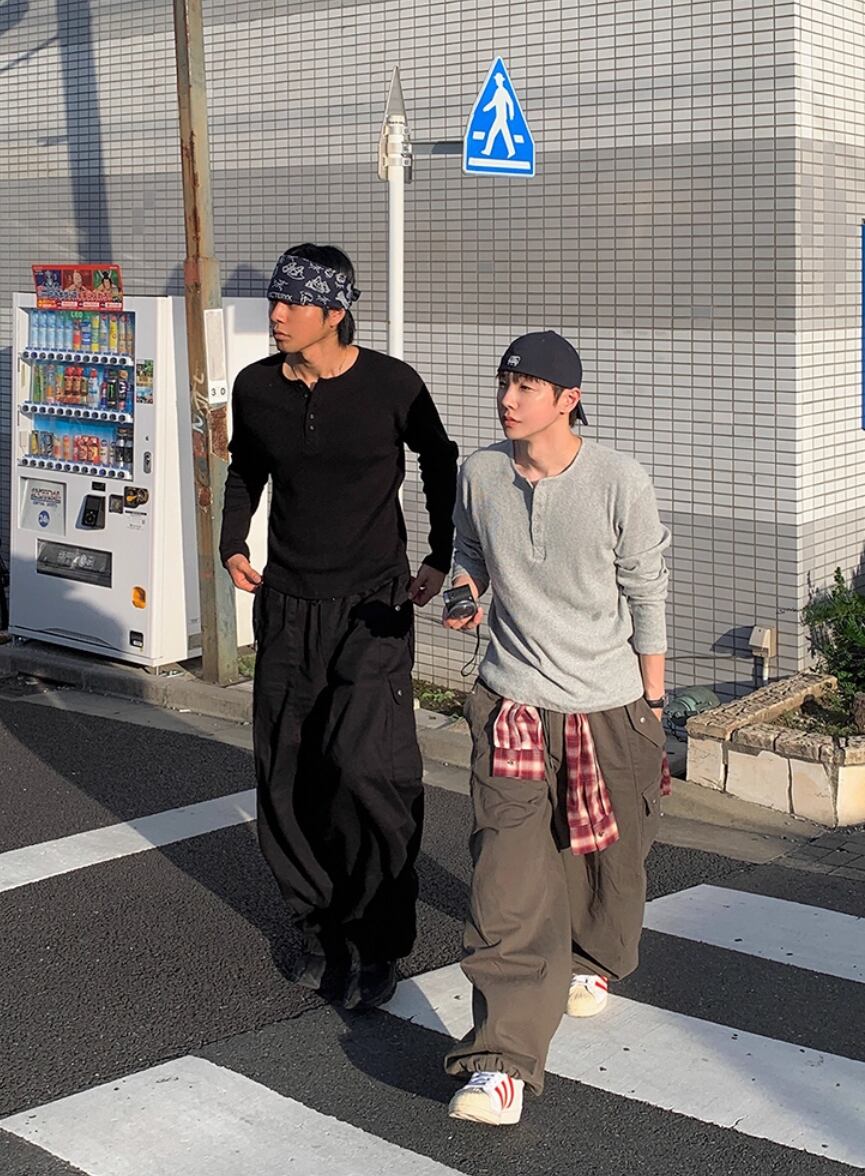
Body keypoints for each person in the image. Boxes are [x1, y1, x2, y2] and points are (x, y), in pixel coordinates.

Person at [220, 243, 458, 1010]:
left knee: (366, 769)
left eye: (291, 302)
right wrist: (232, 541)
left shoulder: (391, 385)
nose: (276, 314)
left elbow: (439, 458)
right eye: (273, 300)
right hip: (288, 603)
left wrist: (440, 553)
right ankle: (319, 930)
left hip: (372, 606)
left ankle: (378, 939)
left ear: (333, 312)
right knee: (288, 774)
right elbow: (246, 469)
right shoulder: (256, 388)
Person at [442, 331, 670, 1125]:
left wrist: (651, 701)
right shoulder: (480, 472)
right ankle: (500, 1063)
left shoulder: (617, 480)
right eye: (503, 382)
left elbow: (646, 588)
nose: (506, 399)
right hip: (510, 702)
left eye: (525, 387)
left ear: (567, 399)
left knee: (610, 864)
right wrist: (465, 591)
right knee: (503, 882)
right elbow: (468, 549)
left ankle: (590, 955)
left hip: (607, 706)